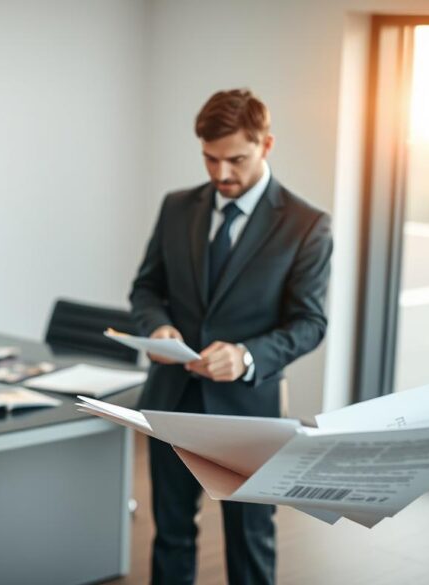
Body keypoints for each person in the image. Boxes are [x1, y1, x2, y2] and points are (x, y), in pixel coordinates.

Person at [129, 88, 333, 585]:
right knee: (171, 536)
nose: (222, 174)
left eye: (236, 159)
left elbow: (310, 323)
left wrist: (245, 356)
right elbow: (146, 287)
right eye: (210, 159)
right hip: (172, 402)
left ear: (266, 145)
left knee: (250, 547)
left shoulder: (307, 225)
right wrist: (157, 326)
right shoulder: (177, 207)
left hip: (250, 415)